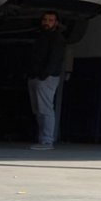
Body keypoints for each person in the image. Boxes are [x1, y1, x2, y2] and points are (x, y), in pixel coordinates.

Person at [26, 11, 65, 151]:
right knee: (38, 110)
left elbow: (54, 59)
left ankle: (47, 141)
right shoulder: (41, 37)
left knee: (45, 109)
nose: (47, 22)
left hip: (46, 78)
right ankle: (43, 139)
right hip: (36, 77)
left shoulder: (57, 39)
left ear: (56, 23)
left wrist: (44, 75)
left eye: (50, 20)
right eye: (45, 19)